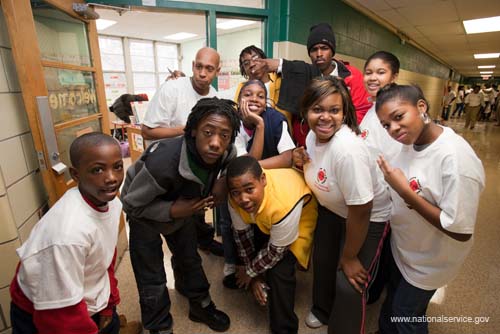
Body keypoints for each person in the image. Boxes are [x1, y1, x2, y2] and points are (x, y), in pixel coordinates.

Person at [120, 97, 241, 334]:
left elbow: (231, 161)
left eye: (224, 136)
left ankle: (200, 305)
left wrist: (222, 183)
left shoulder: (226, 152)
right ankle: (159, 326)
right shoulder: (163, 161)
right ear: (193, 130)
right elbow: (131, 204)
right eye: (208, 132)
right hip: (144, 211)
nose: (216, 143)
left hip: (185, 207)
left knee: (189, 259)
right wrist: (174, 210)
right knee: (152, 275)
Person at [375, 83, 485, 334]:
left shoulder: (455, 159)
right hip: (405, 250)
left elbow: (459, 230)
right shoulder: (412, 141)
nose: (393, 128)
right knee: (393, 302)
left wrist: (405, 192)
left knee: (406, 315)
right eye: (385, 124)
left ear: (421, 107)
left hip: (429, 262)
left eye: (398, 117)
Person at [292, 77, 391, 334]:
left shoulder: (347, 150)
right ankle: (322, 309)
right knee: (323, 262)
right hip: (331, 210)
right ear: (305, 111)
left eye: (334, 110)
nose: (325, 117)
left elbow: (362, 209)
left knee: (349, 281)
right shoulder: (313, 137)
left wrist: (349, 257)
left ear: (344, 112)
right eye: (317, 109)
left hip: (367, 218)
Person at [9, 133, 132, 333]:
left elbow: (104, 257)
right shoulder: (67, 234)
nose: (111, 178)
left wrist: (109, 305)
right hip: (47, 313)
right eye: (98, 169)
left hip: (84, 300)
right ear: (75, 175)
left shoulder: (112, 203)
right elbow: (61, 317)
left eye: (117, 166)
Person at [141, 46, 224, 256]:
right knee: (167, 225)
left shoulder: (214, 97)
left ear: (217, 71)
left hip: (193, 169)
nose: (202, 73)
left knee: (194, 211)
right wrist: (188, 131)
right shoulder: (173, 89)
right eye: (198, 67)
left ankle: (203, 242)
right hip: (164, 168)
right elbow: (147, 131)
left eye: (209, 69)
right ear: (192, 65)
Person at [226, 155, 317, 334]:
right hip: (267, 217)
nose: (243, 198)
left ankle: (283, 328)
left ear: (263, 180)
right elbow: (242, 237)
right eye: (236, 192)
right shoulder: (233, 199)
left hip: (299, 219)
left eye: (249, 189)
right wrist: (254, 277)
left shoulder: (283, 206)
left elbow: (276, 252)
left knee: (279, 271)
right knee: (254, 251)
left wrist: (249, 273)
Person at [221, 79, 295, 289]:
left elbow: (288, 157)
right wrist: (251, 169)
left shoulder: (275, 119)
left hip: (268, 188)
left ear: (267, 102)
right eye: (248, 94)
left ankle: (258, 272)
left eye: (260, 96)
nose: (254, 99)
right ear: (238, 99)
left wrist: (261, 125)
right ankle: (237, 265)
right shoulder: (231, 121)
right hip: (237, 187)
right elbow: (244, 168)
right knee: (235, 227)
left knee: (265, 232)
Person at [252, 23, 371, 146]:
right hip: (309, 145)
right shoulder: (304, 75)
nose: (319, 54)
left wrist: (336, 132)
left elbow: (361, 112)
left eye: (324, 48)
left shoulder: (352, 76)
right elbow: (292, 67)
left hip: (343, 142)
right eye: (314, 49)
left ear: (332, 51)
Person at [360, 51, 403, 305]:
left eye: (380, 72)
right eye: (368, 72)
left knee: (378, 255)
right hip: (371, 196)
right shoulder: (373, 108)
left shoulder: (394, 112)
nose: (373, 77)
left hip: (385, 203)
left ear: (394, 76)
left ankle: (371, 295)